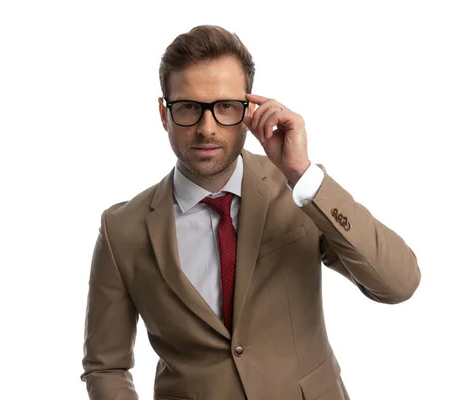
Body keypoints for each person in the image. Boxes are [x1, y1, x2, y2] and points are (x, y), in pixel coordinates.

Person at [80, 25, 421, 400]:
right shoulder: (121, 230)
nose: (206, 129)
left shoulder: (299, 194)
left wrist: (304, 177)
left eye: (225, 106)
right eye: (189, 107)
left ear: (248, 111)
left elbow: (398, 284)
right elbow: (106, 365)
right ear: (164, 113)